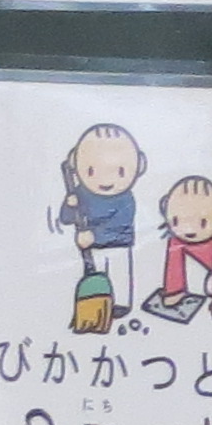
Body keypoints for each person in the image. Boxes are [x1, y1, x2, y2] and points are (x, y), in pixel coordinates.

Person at [55, 123, 145, 321]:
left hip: (118, 244)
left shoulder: (125, 199)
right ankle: (97, 309)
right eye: (91, 171)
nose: (106, 180)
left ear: (139, 165)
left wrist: (94, 236)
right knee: (95, 278)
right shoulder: (81, 192)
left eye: (119, 171)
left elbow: (121, 225)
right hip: (91, 247)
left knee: (119, 276)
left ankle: (120, 304)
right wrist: (70, 205)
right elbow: (66, 219)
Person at [151, 175, 212, 322]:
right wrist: (173, 291)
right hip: (203, 271)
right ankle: (176, 291)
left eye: (202, 223)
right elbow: (173, 264)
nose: (190, 230)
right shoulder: (177, 236)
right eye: (176, 221)